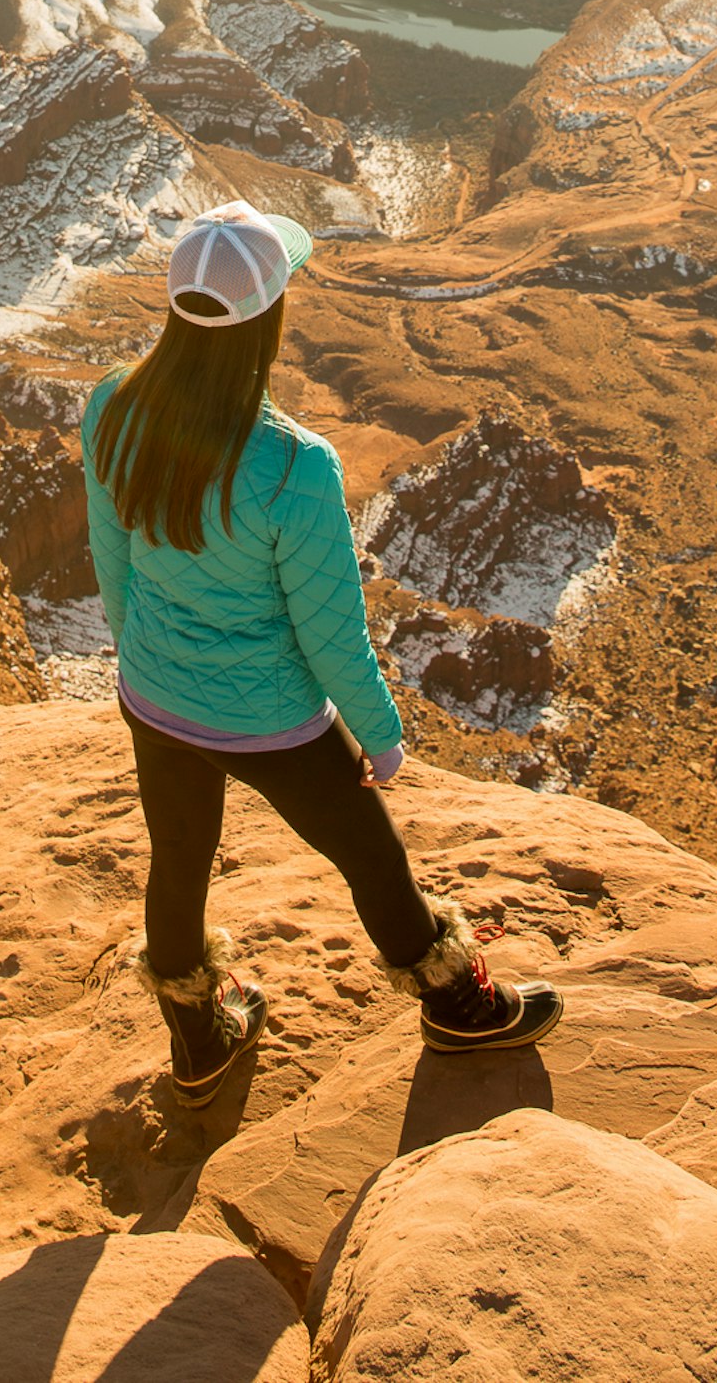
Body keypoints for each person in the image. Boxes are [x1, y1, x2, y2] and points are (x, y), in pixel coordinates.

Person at [83, 198, 562, 1108]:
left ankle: (198, 1039)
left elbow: (113, 559)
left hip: (152, 694)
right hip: (269, 719)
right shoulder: (296, 467)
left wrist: (142, 659)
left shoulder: (114, 404)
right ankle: (460, 1007)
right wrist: (380, 741)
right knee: (373, 858)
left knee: (176, 861)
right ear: (267, 317)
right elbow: (330, 632)